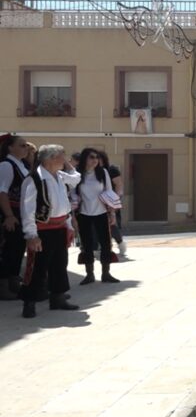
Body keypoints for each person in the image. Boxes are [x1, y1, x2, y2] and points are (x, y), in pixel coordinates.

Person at [20, 144, 81, 318]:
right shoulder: (34, 179)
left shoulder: (60, 176)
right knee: (38, 267)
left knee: (60, 265)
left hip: (60, 227)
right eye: (62, 156)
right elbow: (27, 210)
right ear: (50, 159)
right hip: (42, 231)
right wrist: (31, 235)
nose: (65, 159)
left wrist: (68, 225)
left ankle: (58, 298)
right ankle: (29, 301)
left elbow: (76, 178)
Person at [75, 148, 119, 284]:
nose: (95, 160)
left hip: (101, 213)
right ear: (84, 159)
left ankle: (106, 273)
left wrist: (112, 213)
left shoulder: (103, 172)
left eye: (97, 157)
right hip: (84, 213)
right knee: (86, 244)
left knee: (106, 243)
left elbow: (109, 191)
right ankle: (89, 274)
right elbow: (73, 194)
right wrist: (72, 215)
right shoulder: (77, 174)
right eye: (91, 157)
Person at [0, 134, 32, 300]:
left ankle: (14, 282)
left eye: (26, 145)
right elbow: (2, 192)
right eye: (22, 145)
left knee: (18, 248)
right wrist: (9, 216)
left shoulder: (22, 164)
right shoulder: (7, 165)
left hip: (22, 211)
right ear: (10, 147)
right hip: (12, 212)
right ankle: (3, 286)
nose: (25, 148)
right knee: (9, 249)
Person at [99, 151, 126, 258]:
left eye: (98, 158)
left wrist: (116, 200)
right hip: (96, 202)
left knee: (112, 225)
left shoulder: (111, 170)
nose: (95, 161)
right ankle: (100, 246)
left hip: (110, 201)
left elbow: (119, 185)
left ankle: (120, 243)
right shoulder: (91, 171)